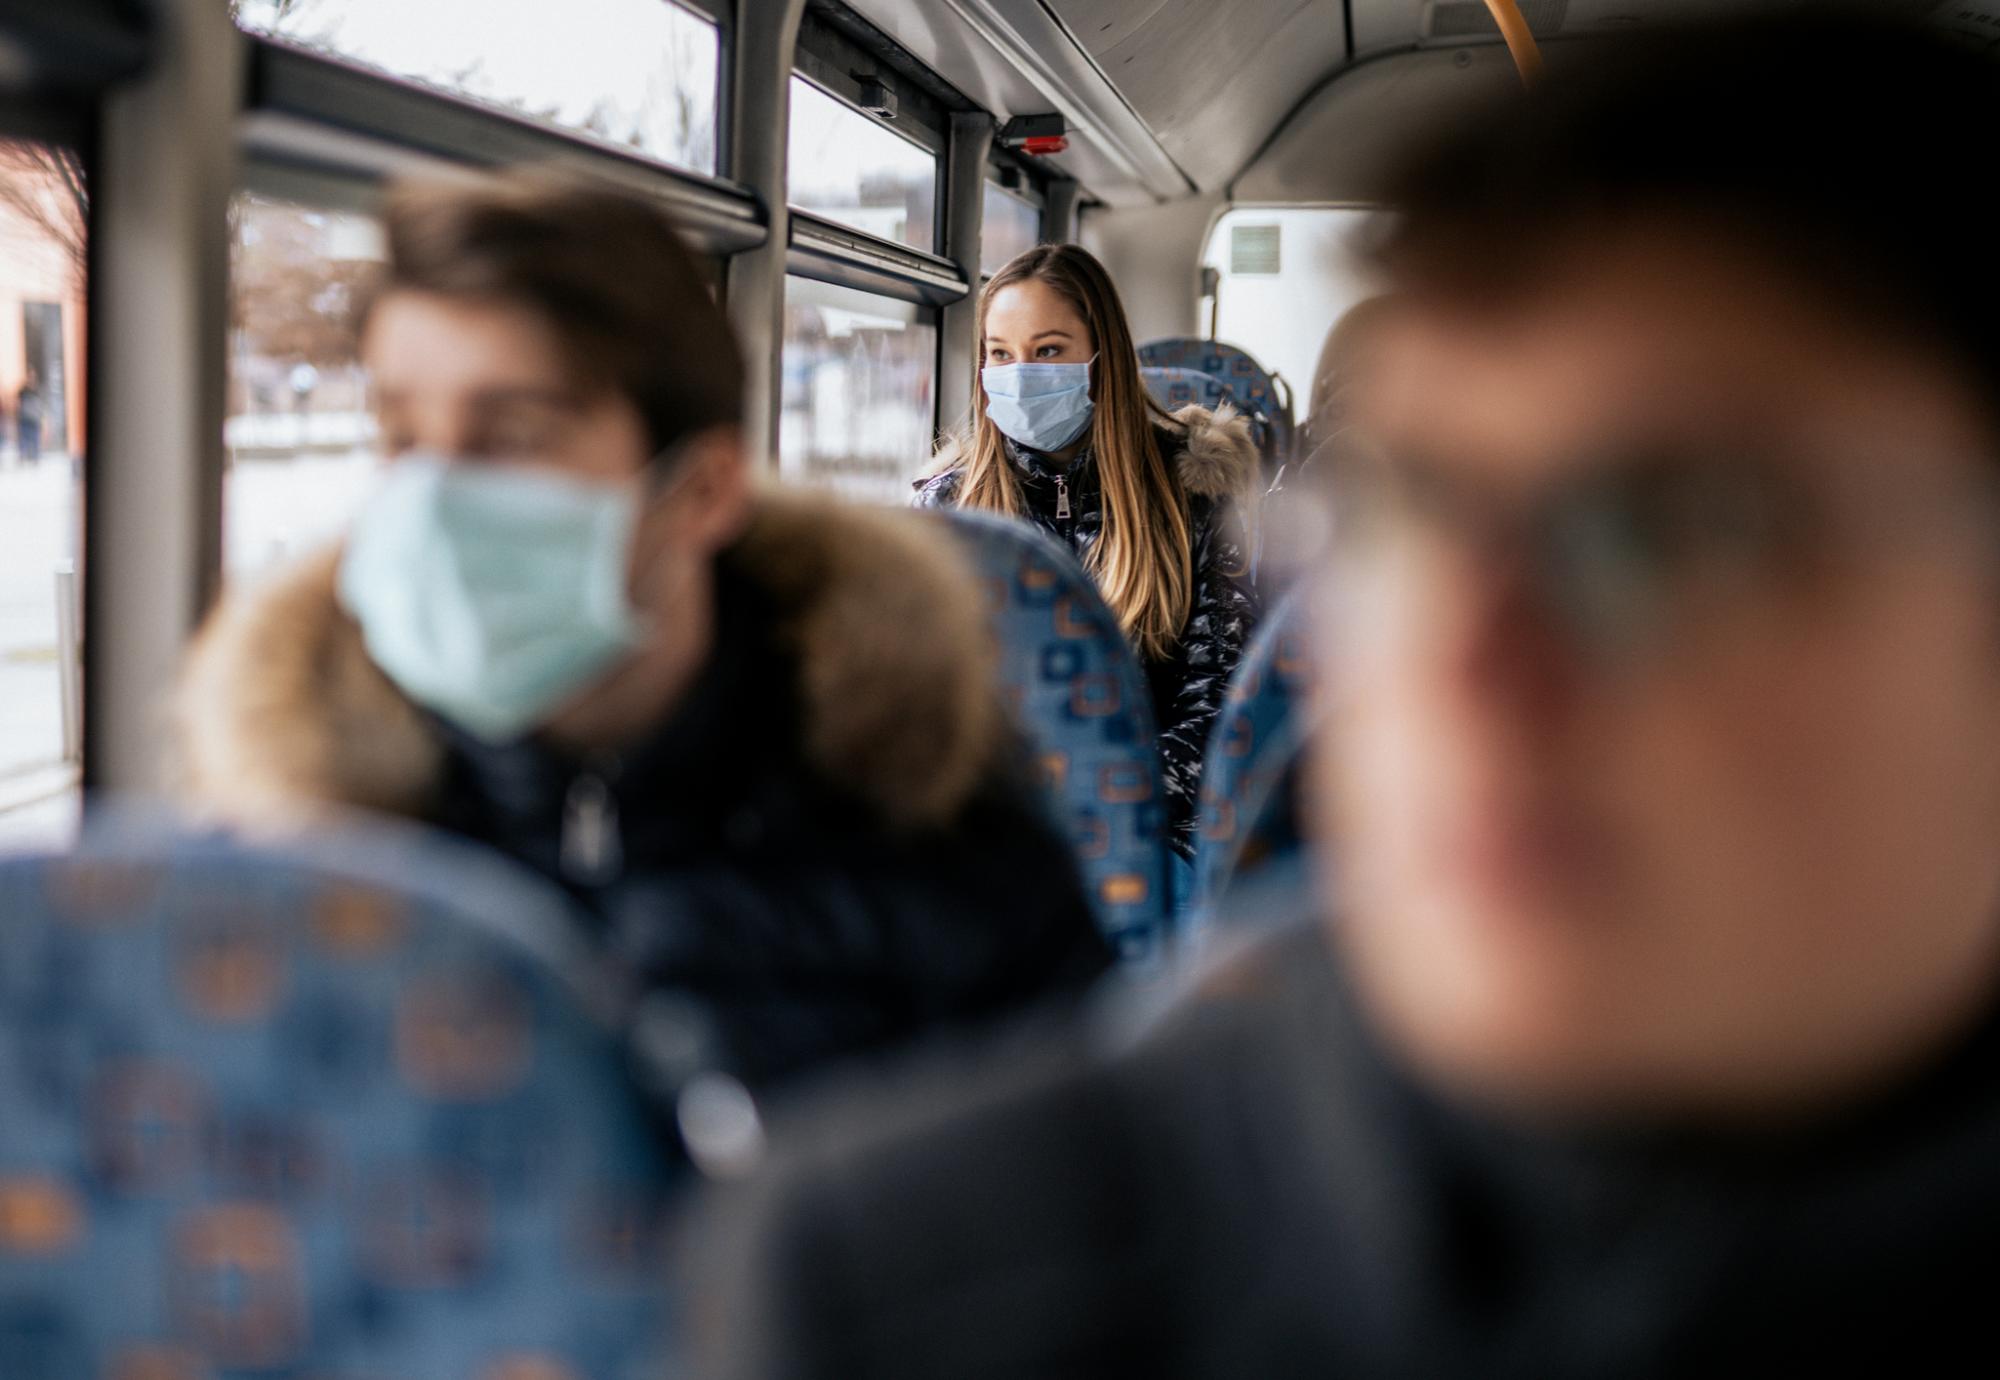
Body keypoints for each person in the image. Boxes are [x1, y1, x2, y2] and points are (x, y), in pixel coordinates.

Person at [684, 12, 2000, 1373]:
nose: (1465, 665)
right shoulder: (904, 1291)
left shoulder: (1185, 522)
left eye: (1682, 530)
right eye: (1410, 511)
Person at [174, 172, 1111, 1125]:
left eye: (513, 434)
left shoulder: (948, 862)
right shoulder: (293, 860)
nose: (434, 494)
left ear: (701, 491)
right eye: (402, 433)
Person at [914, 245, 1261, 868]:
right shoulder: (948, 514)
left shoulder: (1194, 495)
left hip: (1155, 831)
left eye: (1048, 351)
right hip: (988, 836)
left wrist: (1100, 814)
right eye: (1001, 354)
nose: (1021, 373)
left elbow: (1219, 703)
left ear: (1102, 359)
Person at [15, 371, 43, 461]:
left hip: (34, 419)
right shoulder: (22, 390)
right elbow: (17, 403)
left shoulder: (37, 390)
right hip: (24, 418)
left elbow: (40, 405)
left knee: (34, 439)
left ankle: (34, 457)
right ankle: (24, 456)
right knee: (24, 439)